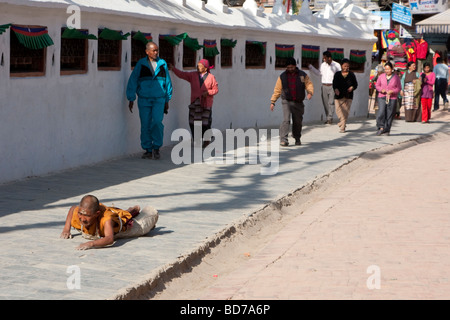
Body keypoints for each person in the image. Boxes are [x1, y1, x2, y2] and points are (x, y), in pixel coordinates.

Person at [127, 42, 173, 160]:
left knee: (157, 122)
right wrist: (131, 98)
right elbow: (133, 80)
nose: (156, 53)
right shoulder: (141, 64)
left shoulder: (162, 64)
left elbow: (167, 82)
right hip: (144, 99)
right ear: (147, 52)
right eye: (154, 51)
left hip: (159, 99)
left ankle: (156, 147)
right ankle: (147, 149)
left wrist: (167, 99)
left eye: (157, 50)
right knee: (145, 124)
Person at [60, 195, 158, 250]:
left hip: (120, 230)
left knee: (145, 225)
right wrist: (66, 229)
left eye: (87, 216)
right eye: (80, 214)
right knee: (119, 215)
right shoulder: (78, 212)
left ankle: (135, 214)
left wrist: (90, 244)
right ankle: (130, 211)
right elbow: (72, 208)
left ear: (97, 214)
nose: (82, 218)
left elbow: (110, 239)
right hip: (113, 216)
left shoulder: (106, 219)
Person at [168, 59, 219, 148]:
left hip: (206, 103)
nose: (198, 67)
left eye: (200, 66)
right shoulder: (193, 75)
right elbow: (182, 75)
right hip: (195, 102)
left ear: (205, 68)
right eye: (197, 65)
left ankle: (207, 140)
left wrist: (208, 92)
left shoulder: (211, 77)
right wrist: (173, 69)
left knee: (205, 123)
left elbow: (216, 90)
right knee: (193, 122)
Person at [270, 57, 314, 146]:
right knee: (286, 120)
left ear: (295, 66)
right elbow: (277, 89)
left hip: (298, 101)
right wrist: (273, 101)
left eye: (292, 67)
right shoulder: (282, 76)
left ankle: (297, 137)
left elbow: (308, 84)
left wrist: (310, 92)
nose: (290, 69)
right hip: (286, 100)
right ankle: (283, 139)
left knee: (297, 121)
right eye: (288, 67)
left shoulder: (302, 75)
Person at [308, 51, 341, 124]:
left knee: (331, 102)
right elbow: (319, 73)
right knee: (325, 103)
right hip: (324, 86)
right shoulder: (323, 65)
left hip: (332, 86)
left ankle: (330, 118)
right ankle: (328, 117)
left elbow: (339, 76)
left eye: (324, 58)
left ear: (329, 58)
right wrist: (311, 67)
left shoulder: (337, 65)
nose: (323, 59)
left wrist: (337, 87)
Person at [375, 62, 401, 136]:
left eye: (388, 69)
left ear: (392, 69)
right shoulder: (381, 76)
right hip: (382, 97)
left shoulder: (396, 77)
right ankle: (381, 127)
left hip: (392, 97)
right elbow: (377, 85)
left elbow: (399, 88)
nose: (387, 71)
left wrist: (393, 91)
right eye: (385, 69)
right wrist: (381, 90)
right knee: (381, 112)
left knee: (390, 114)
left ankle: (387, 129)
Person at [332, 58, 358, 133]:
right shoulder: (337, 74)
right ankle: (342, 122)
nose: (346, 68)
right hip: (338, 96)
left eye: (348, 66)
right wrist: (336, 89)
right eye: (345, 66)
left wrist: (352, 87)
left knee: (345, 112)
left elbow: (355, 84)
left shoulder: (351, 75)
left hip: (348, 96)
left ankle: (342, 127)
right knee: (338, 111)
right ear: (341, 66)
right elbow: (334, 84)